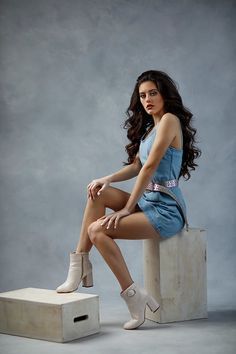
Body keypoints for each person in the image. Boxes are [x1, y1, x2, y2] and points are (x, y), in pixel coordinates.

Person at [56, 70, 201, 330]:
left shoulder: (169, 120)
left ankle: (133, 296)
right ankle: (80, 264)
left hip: (166, 210)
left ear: (165, 94)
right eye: (143, 95)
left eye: (153, 93)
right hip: (148, 201)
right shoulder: (150, 128)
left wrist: (124, 209)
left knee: (96, 230)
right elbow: (137, 166)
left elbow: (149, 168)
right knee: (97, 192)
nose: (147, 99)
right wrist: (107, 178)